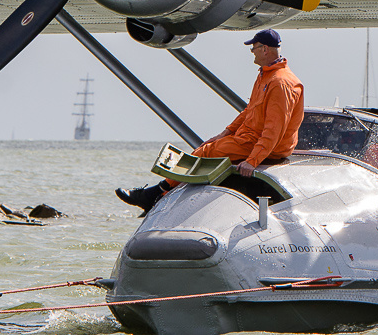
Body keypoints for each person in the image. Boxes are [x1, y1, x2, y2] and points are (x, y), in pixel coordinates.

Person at [116, 29, 305, 212]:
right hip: (250, 137)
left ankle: (155, 193)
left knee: (207, 152)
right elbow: (250, 111)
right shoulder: (266, 75)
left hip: (267, 146)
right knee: (207, 146)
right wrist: (226, 132)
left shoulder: (280, 83)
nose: (252, 53)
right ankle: (160, 191)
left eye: (253, 48)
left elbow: (274, 129)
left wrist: (252, 161)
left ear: (265, 49)